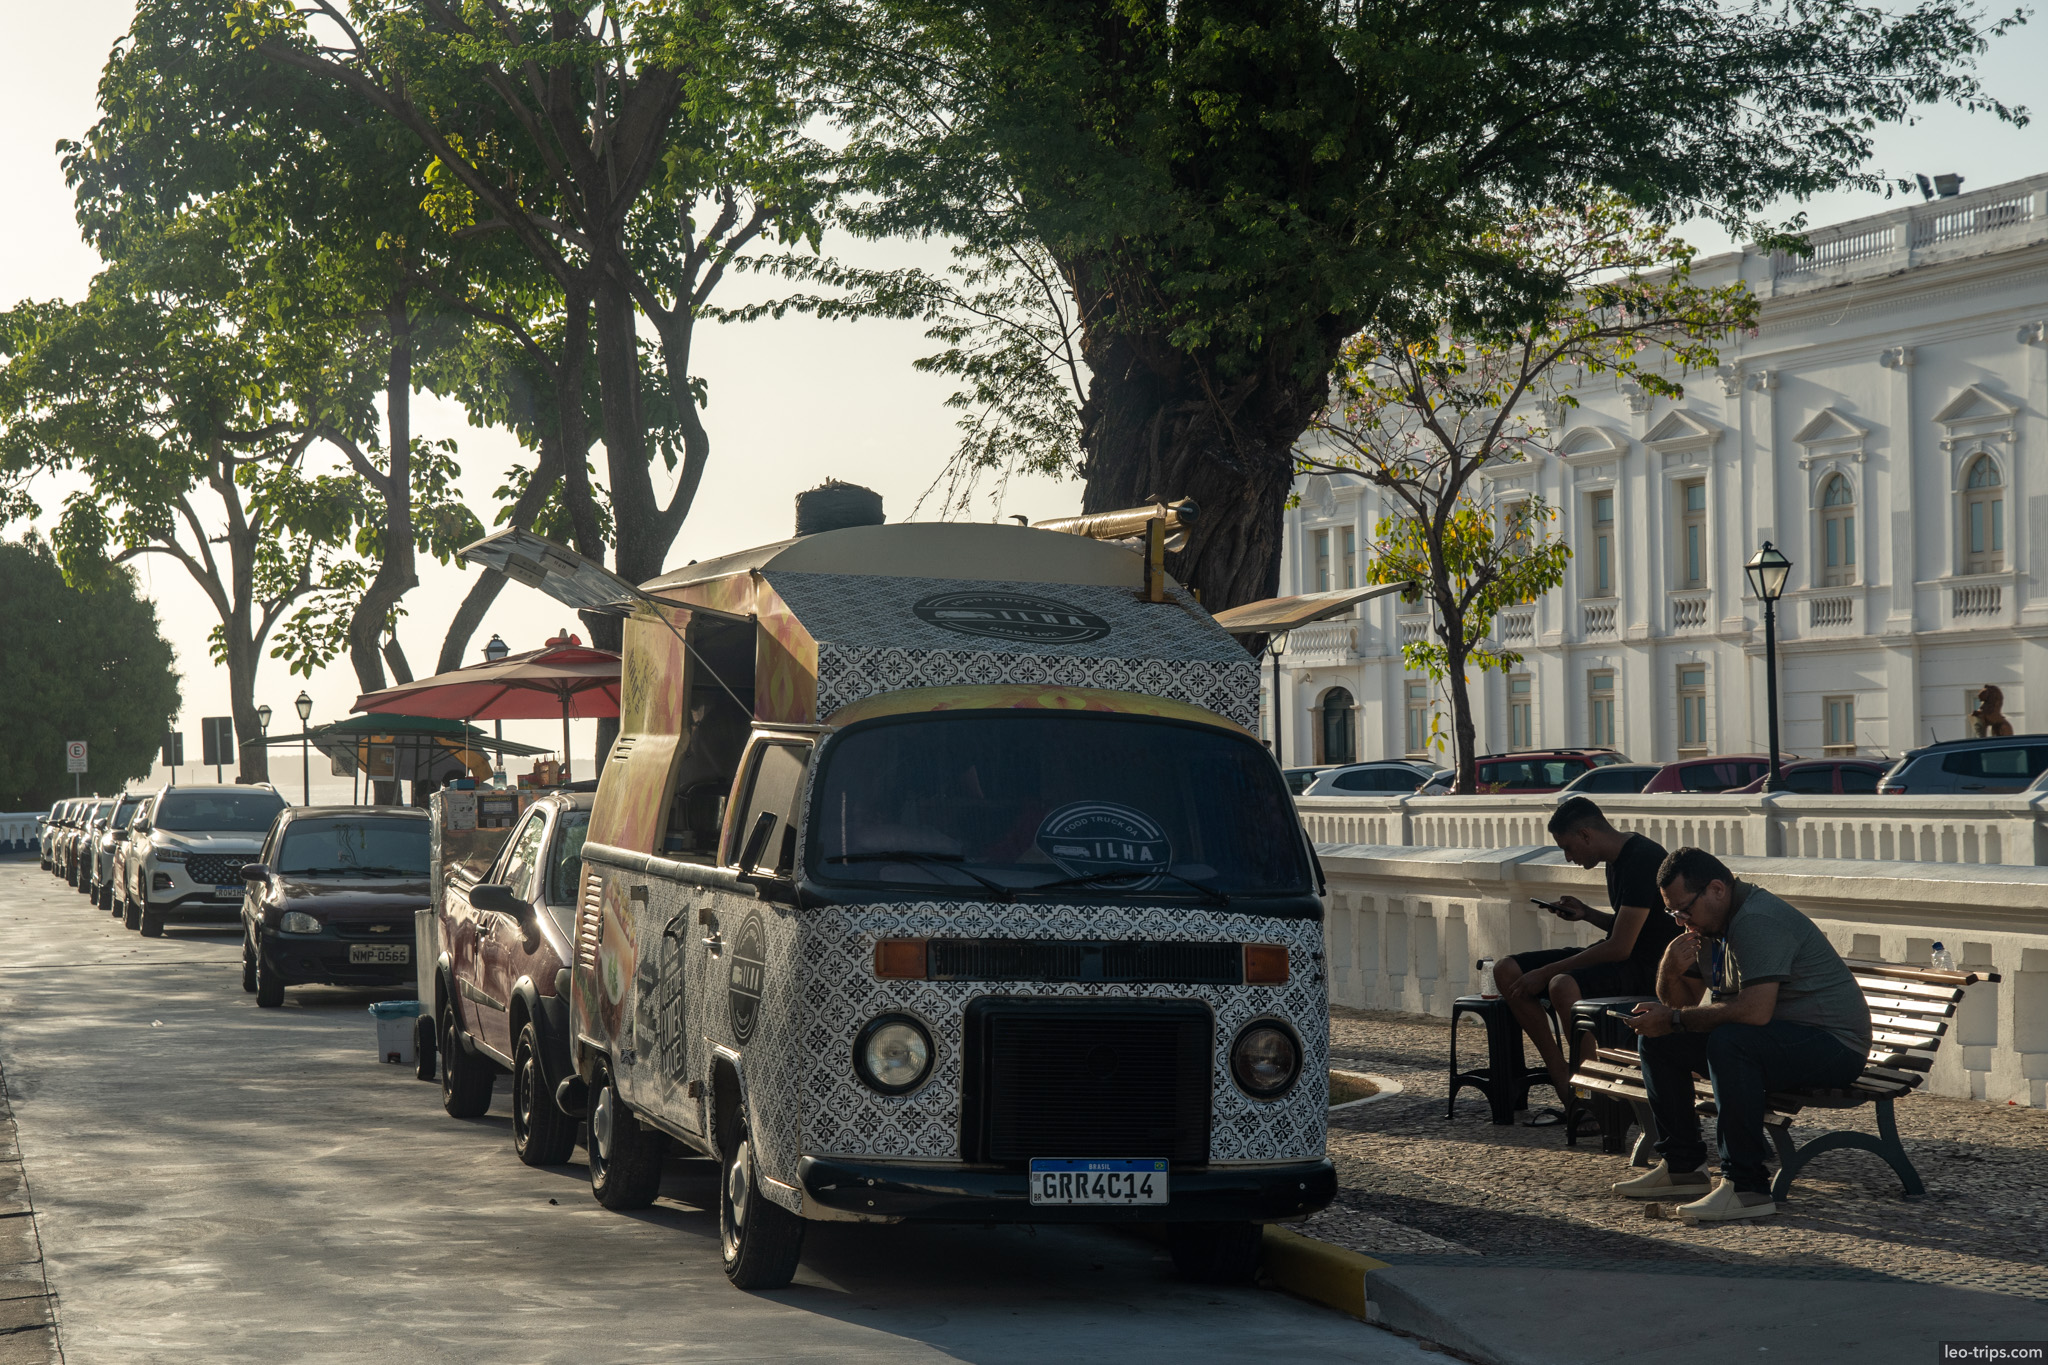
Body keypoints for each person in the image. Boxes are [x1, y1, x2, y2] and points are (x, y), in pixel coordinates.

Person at [1615, 847, 1871, 1223]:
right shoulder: (1707, 929)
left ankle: (1747, 1187)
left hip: (1832, 1045)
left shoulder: (1757, 920)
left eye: (1683, 909)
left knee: (1730, 1043)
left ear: (1717, 889)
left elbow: (1753, 1011)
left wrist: (1673, 1019)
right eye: (1673, 912)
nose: (1680, 921)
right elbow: (1682, 1005)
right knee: (1659, 1040)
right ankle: (1683, 1168)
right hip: (1775, 1038)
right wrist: (1668, 972)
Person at [1492, 797, 1677, 1125]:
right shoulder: (1616, 859)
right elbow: (1627, 928)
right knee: (1506, 969)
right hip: (1624, 958)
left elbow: (1622, 947)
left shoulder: (1642, 858)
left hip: (1649, 969)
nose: (1569, 857)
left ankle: (1595, 1099)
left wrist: (1545, 973)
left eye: (1568, 847)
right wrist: (1588, 914)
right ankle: (1563, 1078)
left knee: (1562, 984)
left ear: (1586, 835)